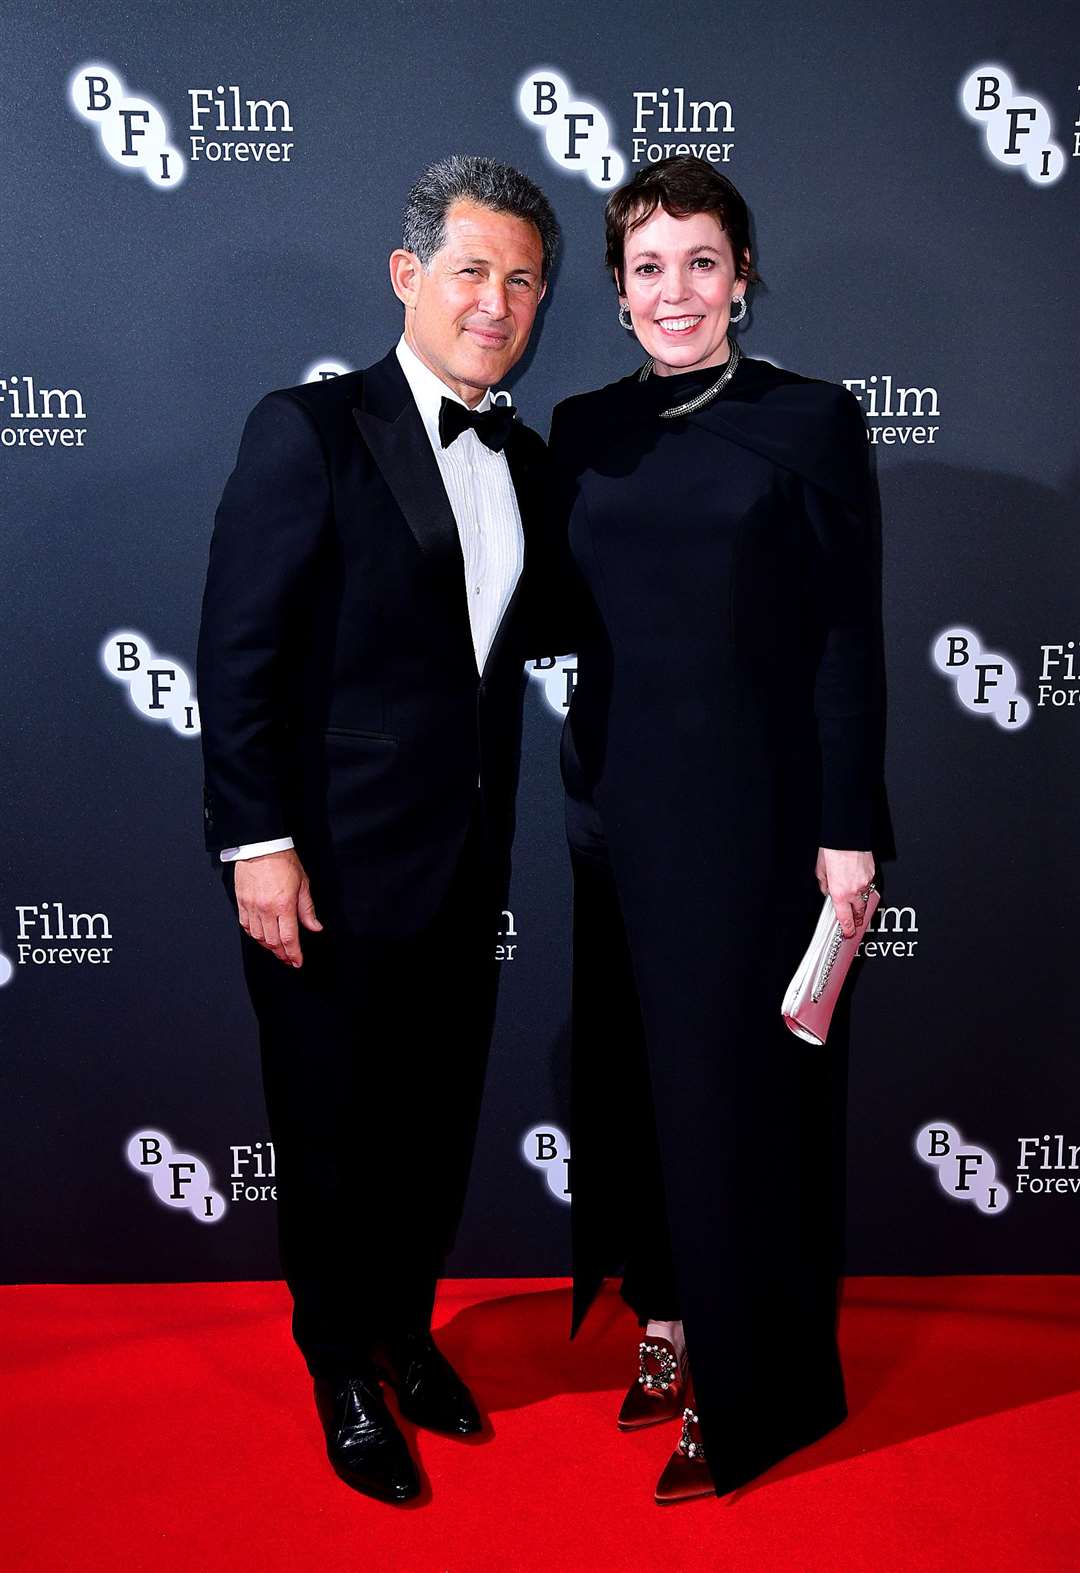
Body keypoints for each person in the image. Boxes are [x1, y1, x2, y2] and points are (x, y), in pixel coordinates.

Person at [196, 155, 560, 1505]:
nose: (498, 300)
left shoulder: (522, 454)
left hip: (466, 863)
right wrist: (257, 842)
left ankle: (404, 1332)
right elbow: (237, 653)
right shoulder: (311, 430)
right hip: (328, 865)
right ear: (408, 276)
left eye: (523, 279)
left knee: (430, 1121)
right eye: (473, 269)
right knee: (334, 1127)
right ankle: (337, 1362)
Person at [548, 155, 890, 1503]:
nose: (675, 290)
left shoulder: (809, 422)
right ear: (619, 291)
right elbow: (533, 604)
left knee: (741, 1103)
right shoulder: (581, 429)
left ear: (743, 274)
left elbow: (848, 638)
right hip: (613, 814)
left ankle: (753, 1385)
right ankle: (670, 1327)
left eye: (703, 260)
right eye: (648, 266)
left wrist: (849, 829)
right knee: (637, 1085)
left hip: (757, 828)